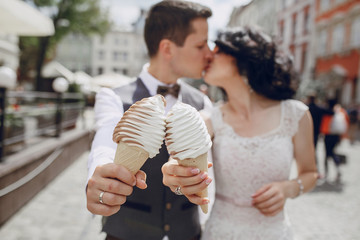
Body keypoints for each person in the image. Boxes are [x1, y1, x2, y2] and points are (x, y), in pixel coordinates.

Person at [162, 26, 318, 239]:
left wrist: (288, 188)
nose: (208, 55)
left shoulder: (296, 114)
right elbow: (178, 159)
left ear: (243, 56)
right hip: (221, 231)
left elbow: (310, 173)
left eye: (217, 51)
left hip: (274, 231)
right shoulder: (209, 119)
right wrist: (173, 173)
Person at [86, 1, 213, 240]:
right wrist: (98, 175)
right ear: (167, 48)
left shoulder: (203, 102)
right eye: (201, 45)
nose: (209, 53)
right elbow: (103, 144)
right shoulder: (113, 97)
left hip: (188, 233)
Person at [320, 100, 349, 181]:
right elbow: (346, 122)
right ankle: (337, 169)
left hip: (328, 134)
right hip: (337, 135)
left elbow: (323, 123)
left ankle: (326, 172)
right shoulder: (341, 111)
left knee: (327, 153)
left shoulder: (326, 111)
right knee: (332, 152)